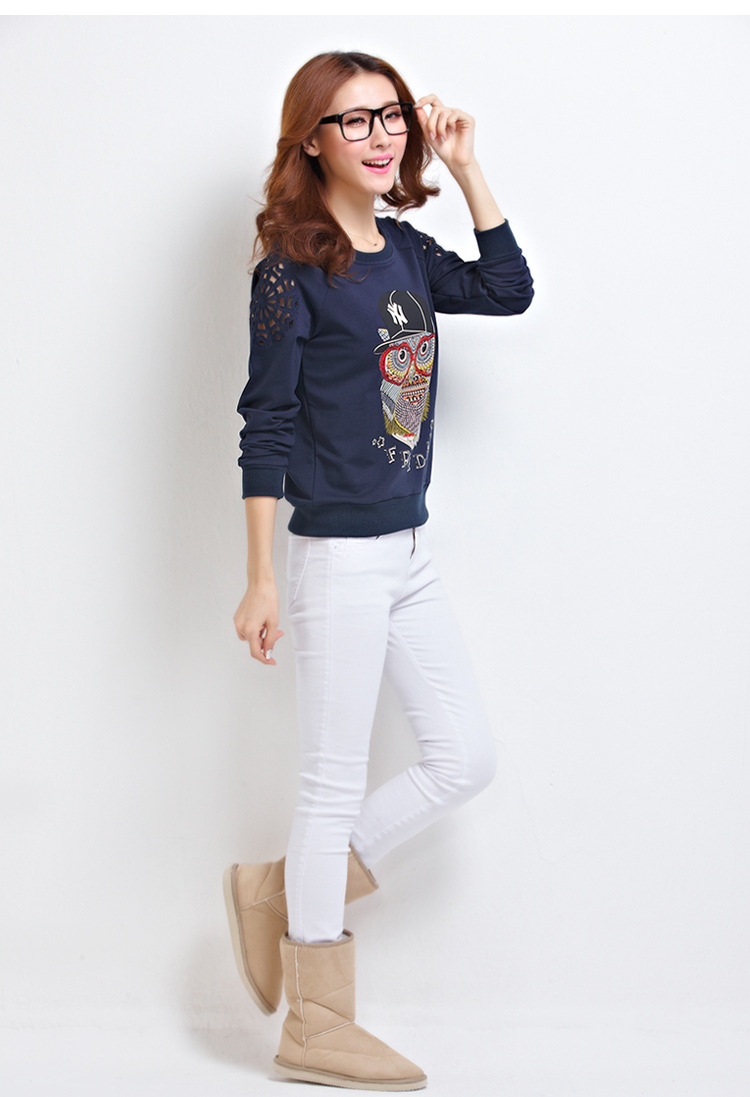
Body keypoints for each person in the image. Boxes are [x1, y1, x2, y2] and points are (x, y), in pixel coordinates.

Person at [224, 50, 533, 1091]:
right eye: (353, 121)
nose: (380, 135)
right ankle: (315, 1022)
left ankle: (278, 889)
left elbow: (508, 288)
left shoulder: (403, 250)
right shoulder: (289, 271)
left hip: (408, 549)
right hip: (335, 561)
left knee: (465, 755)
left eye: (391, 115)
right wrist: (261, 577)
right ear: (311, 141)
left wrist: (468, 164)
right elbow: (265, 423)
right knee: (330, 783)